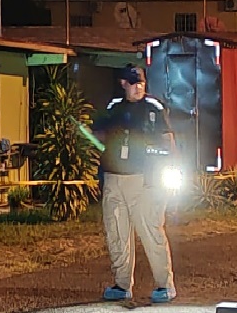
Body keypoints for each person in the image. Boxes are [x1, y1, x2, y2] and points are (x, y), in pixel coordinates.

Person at [92, 64, 177, 303]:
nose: (138, 87)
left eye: (141, 83)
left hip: (144, 180)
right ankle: (122, 284)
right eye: (133, 83)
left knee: (151, 231)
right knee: (116, 233)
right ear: (123, 84)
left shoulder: (154, 108)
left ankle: (165, 285)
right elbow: (98, 133)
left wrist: (166, 169)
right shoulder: (114, 107)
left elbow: (168, 141)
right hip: (113, 178)